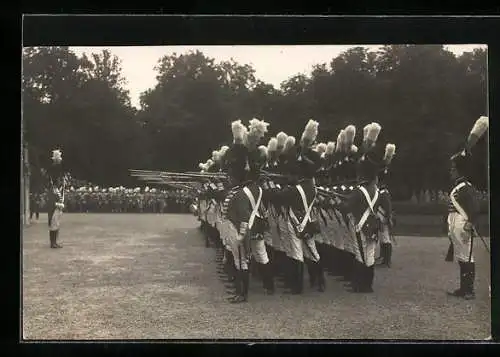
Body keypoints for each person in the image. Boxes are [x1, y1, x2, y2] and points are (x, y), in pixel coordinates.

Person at [446, 151, 480, 300]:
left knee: (467, 257)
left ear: (459, 170)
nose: (451, 171)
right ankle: (463, 288)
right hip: (456, 225)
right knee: (461, 257)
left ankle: (469, 291)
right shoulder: (459, 187)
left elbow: (475, 207)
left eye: (453, 169)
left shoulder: (466, 187)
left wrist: (471, 222)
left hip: (463, 225)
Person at [46, 149, 65, 249]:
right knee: (53, 223)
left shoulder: (57, 187)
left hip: (57, 205)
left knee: (57, 223)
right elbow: (51, 201)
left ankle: (55, 242)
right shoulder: (52, 188)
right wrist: (58, 204)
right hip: (53, 207)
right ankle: (52, 242)